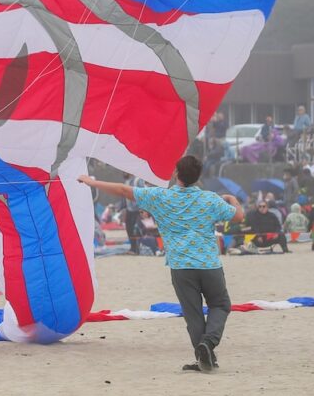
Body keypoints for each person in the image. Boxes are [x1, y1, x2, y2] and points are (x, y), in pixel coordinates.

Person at [78, 156, 243, 373]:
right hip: (209, 265)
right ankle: (208, 345)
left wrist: (92, 182)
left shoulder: (161, 197)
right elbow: (239, 216)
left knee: (192, 314)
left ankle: (204, 353)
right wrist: (232, 199)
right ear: (197, 177)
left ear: (176, 173)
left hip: (181, 267)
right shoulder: (210, 199)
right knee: (220, 305)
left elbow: (123, 190)